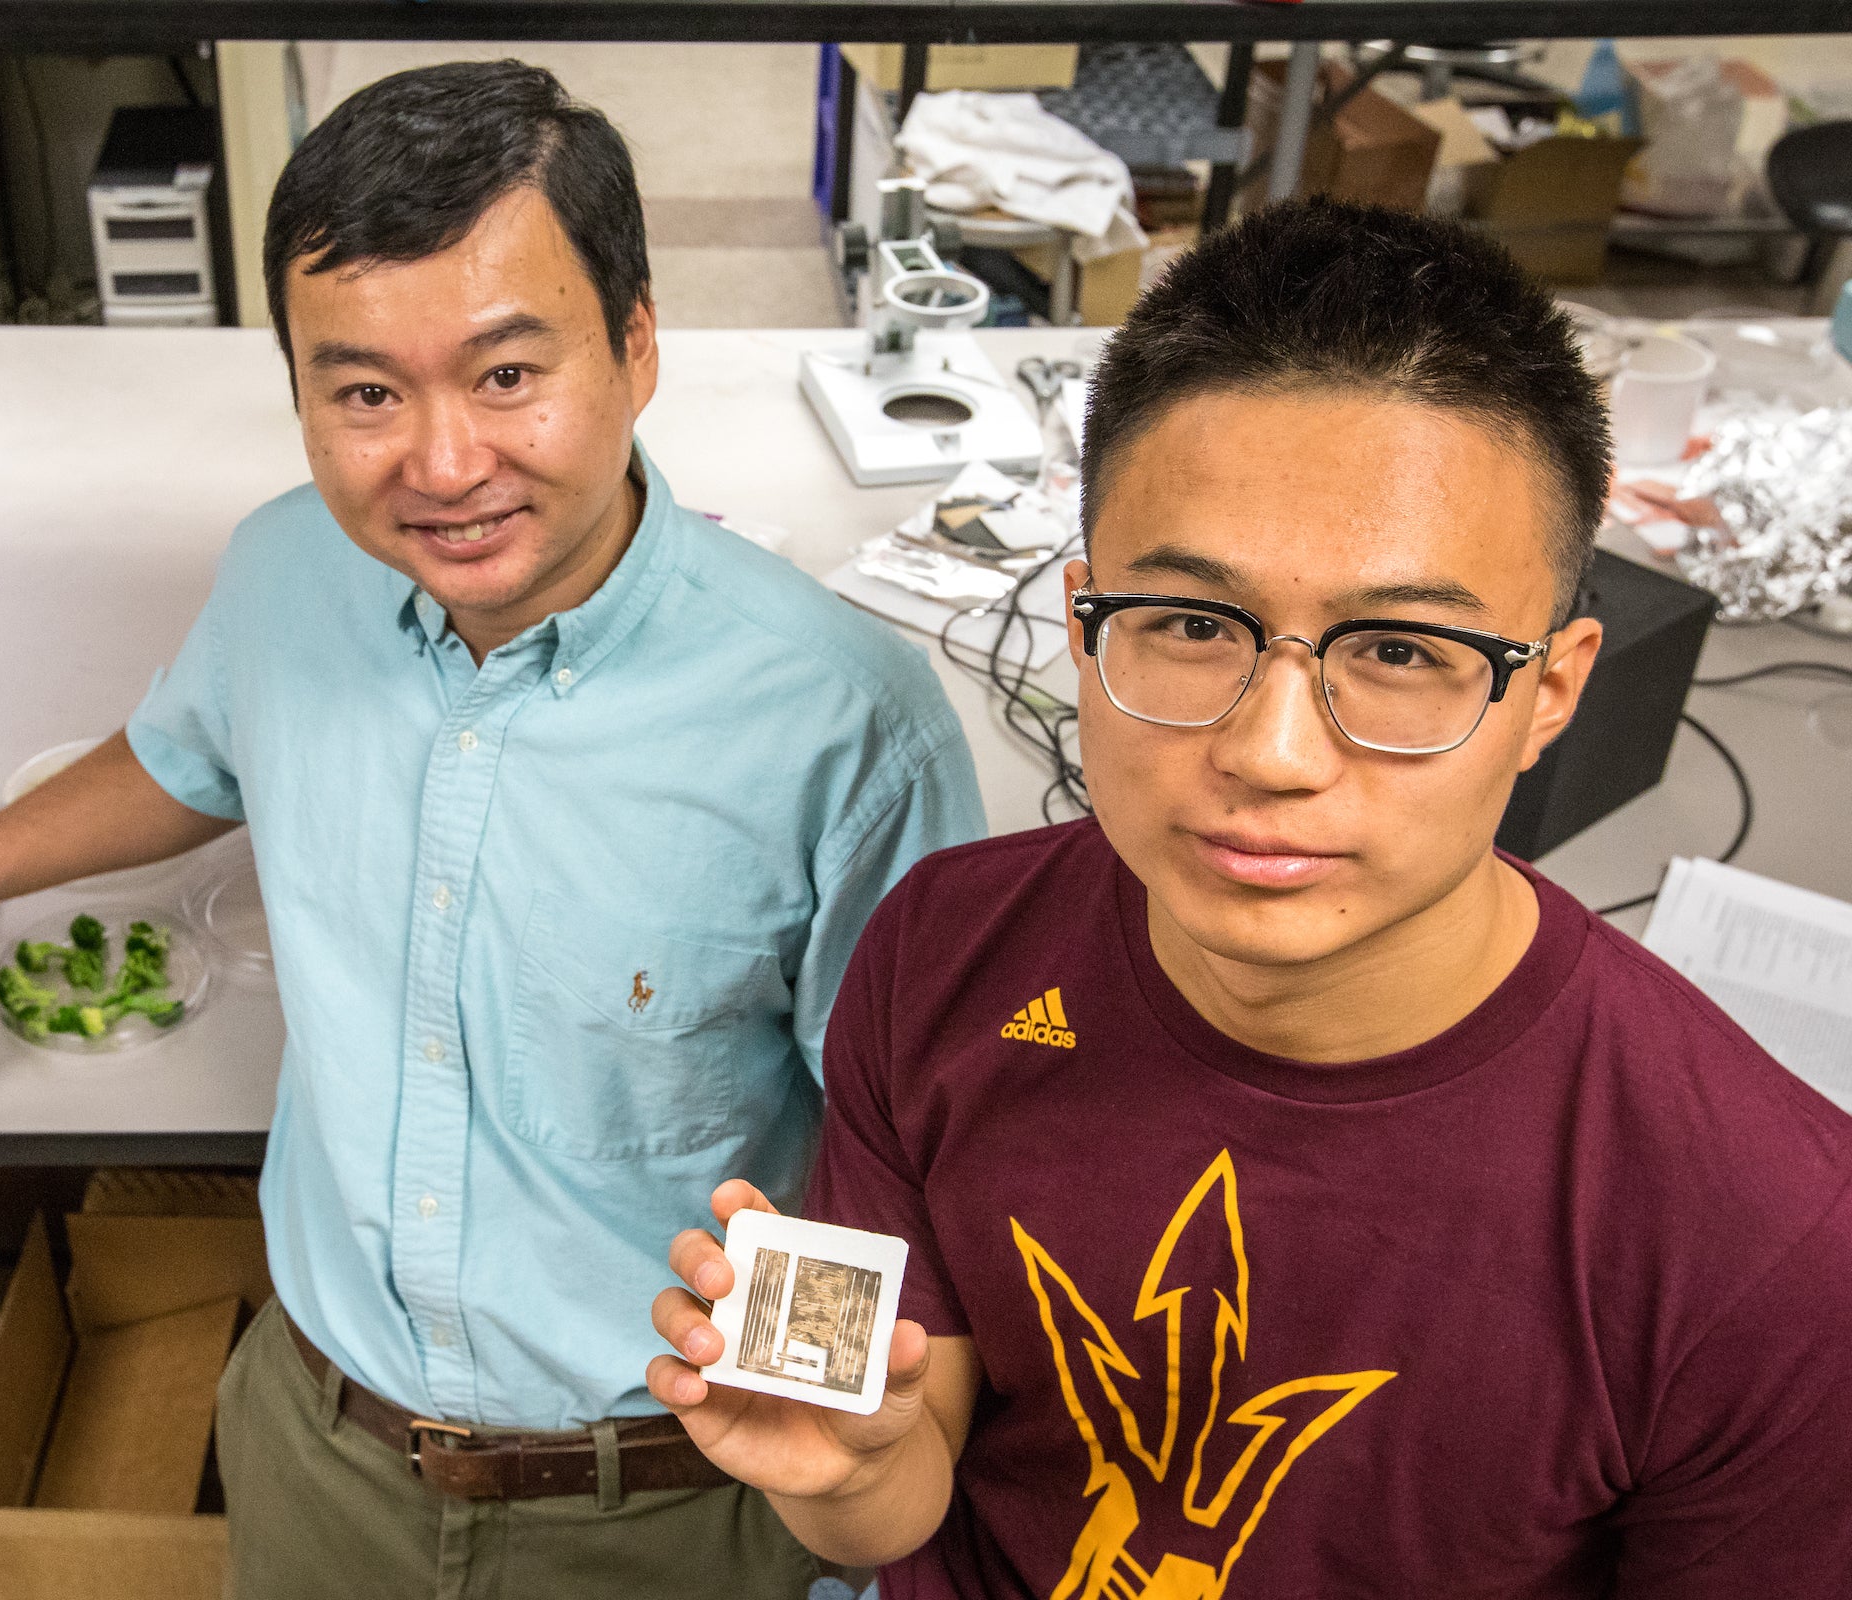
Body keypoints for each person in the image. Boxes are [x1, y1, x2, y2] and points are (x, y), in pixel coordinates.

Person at [0, 60, 985, 1600]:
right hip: (323, 1449)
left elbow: (908, 1151)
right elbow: (191, 751)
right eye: (366, 392)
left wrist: (851, 1519)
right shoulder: (282, 576)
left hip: (665, 1499)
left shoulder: (844, 721)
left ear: (638, 345)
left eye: (509, 374)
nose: (442, 465)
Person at [650, 199, 1852, 1596]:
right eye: (1192, 625)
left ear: (1554, 693)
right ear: (1084, 614)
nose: (1271, 755)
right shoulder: (944, 949)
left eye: (1403, 649)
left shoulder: (1772, 1248)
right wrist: (851, 1471)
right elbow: (907, 1482)